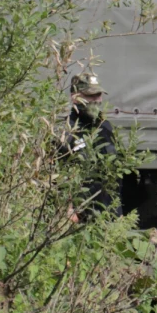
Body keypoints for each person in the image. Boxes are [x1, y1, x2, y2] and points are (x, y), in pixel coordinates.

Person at [63, 73, 118, 221]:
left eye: (99, 95)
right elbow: (57, 174)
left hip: (107, 214)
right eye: (91, 96)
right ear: (75, 97)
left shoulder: (105, 127)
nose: (97, 100)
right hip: (79, 216)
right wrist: (67, 211)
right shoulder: (67, 130)